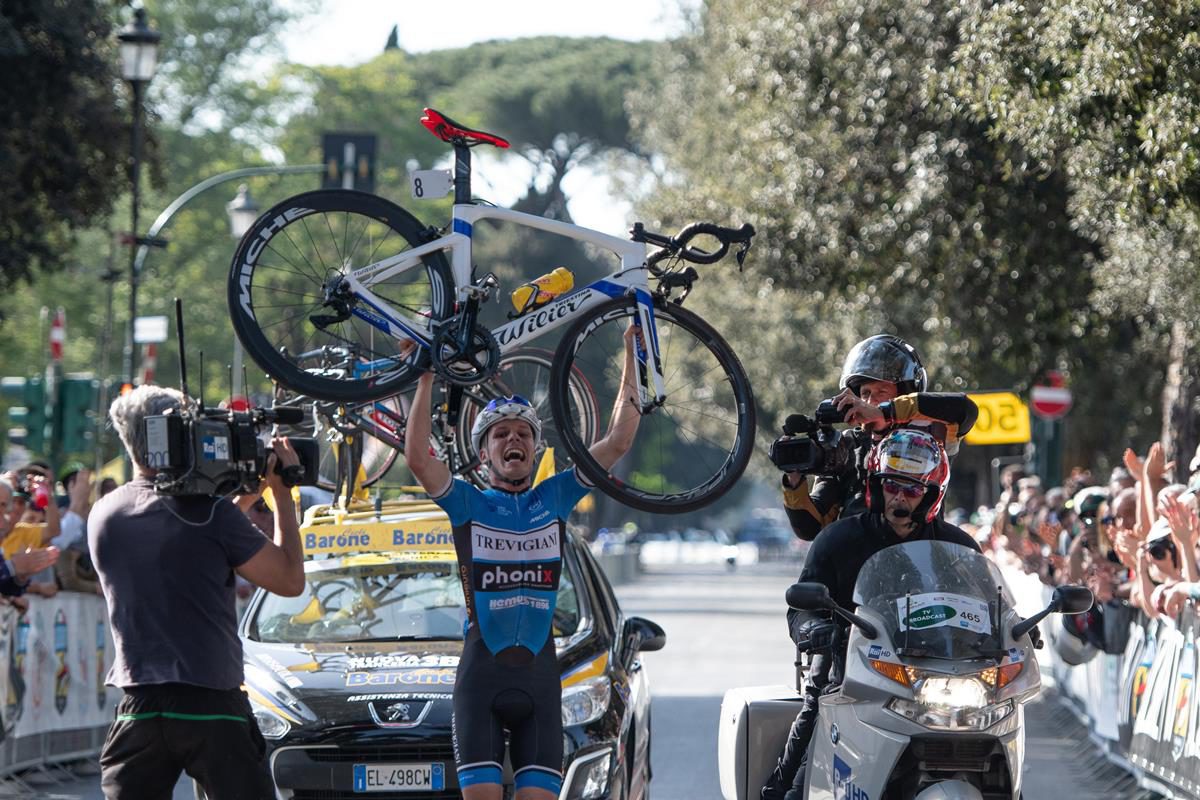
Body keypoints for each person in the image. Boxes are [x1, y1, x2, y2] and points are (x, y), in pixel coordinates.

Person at [404, 326, 643, 800]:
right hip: (481, 682)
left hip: (538, 682)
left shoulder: (554, 498)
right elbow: (417, 457)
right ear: (484, 451)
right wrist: (426, 377)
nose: (513, 440)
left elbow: (617, 441)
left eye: (522, 434)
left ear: (535, 450)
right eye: (501, 434)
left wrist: (631, 353)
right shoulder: (467, 503)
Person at [89, 385, 306, 800]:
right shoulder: (213, 514)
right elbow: (290, 580)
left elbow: (179, 533)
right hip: (212, 705)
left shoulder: (105, 513)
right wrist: (282, 496)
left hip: (140, 707)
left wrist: (239, 502)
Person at [762, 429, 981, 800]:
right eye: (891, 485)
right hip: (848, 672)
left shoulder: (959, 549)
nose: (898, 496)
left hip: (936, 679)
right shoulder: (839, 539)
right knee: (812, 728)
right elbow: (800, 608)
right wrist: (816, 629)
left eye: (911, 489)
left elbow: (989, 605)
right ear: (876, 486)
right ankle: (781, 790)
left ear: (931, 494)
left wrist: (1015, 633)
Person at [781, 334, 978, 541]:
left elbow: (965, 409)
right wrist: (794, 482)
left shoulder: (932, 433)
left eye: (881, 391)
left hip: (921, 562)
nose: (869, 401)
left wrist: (885, 412)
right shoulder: (845, 446)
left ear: (905, 393)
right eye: (864, 393)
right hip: (858, 567)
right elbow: (810, 528)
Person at [0, 478, 61, 597]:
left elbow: (6, 587)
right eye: (14, 501)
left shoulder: (23, 531)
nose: (15, 507)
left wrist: (22, 576)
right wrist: (13, 566)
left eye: (4, 505)